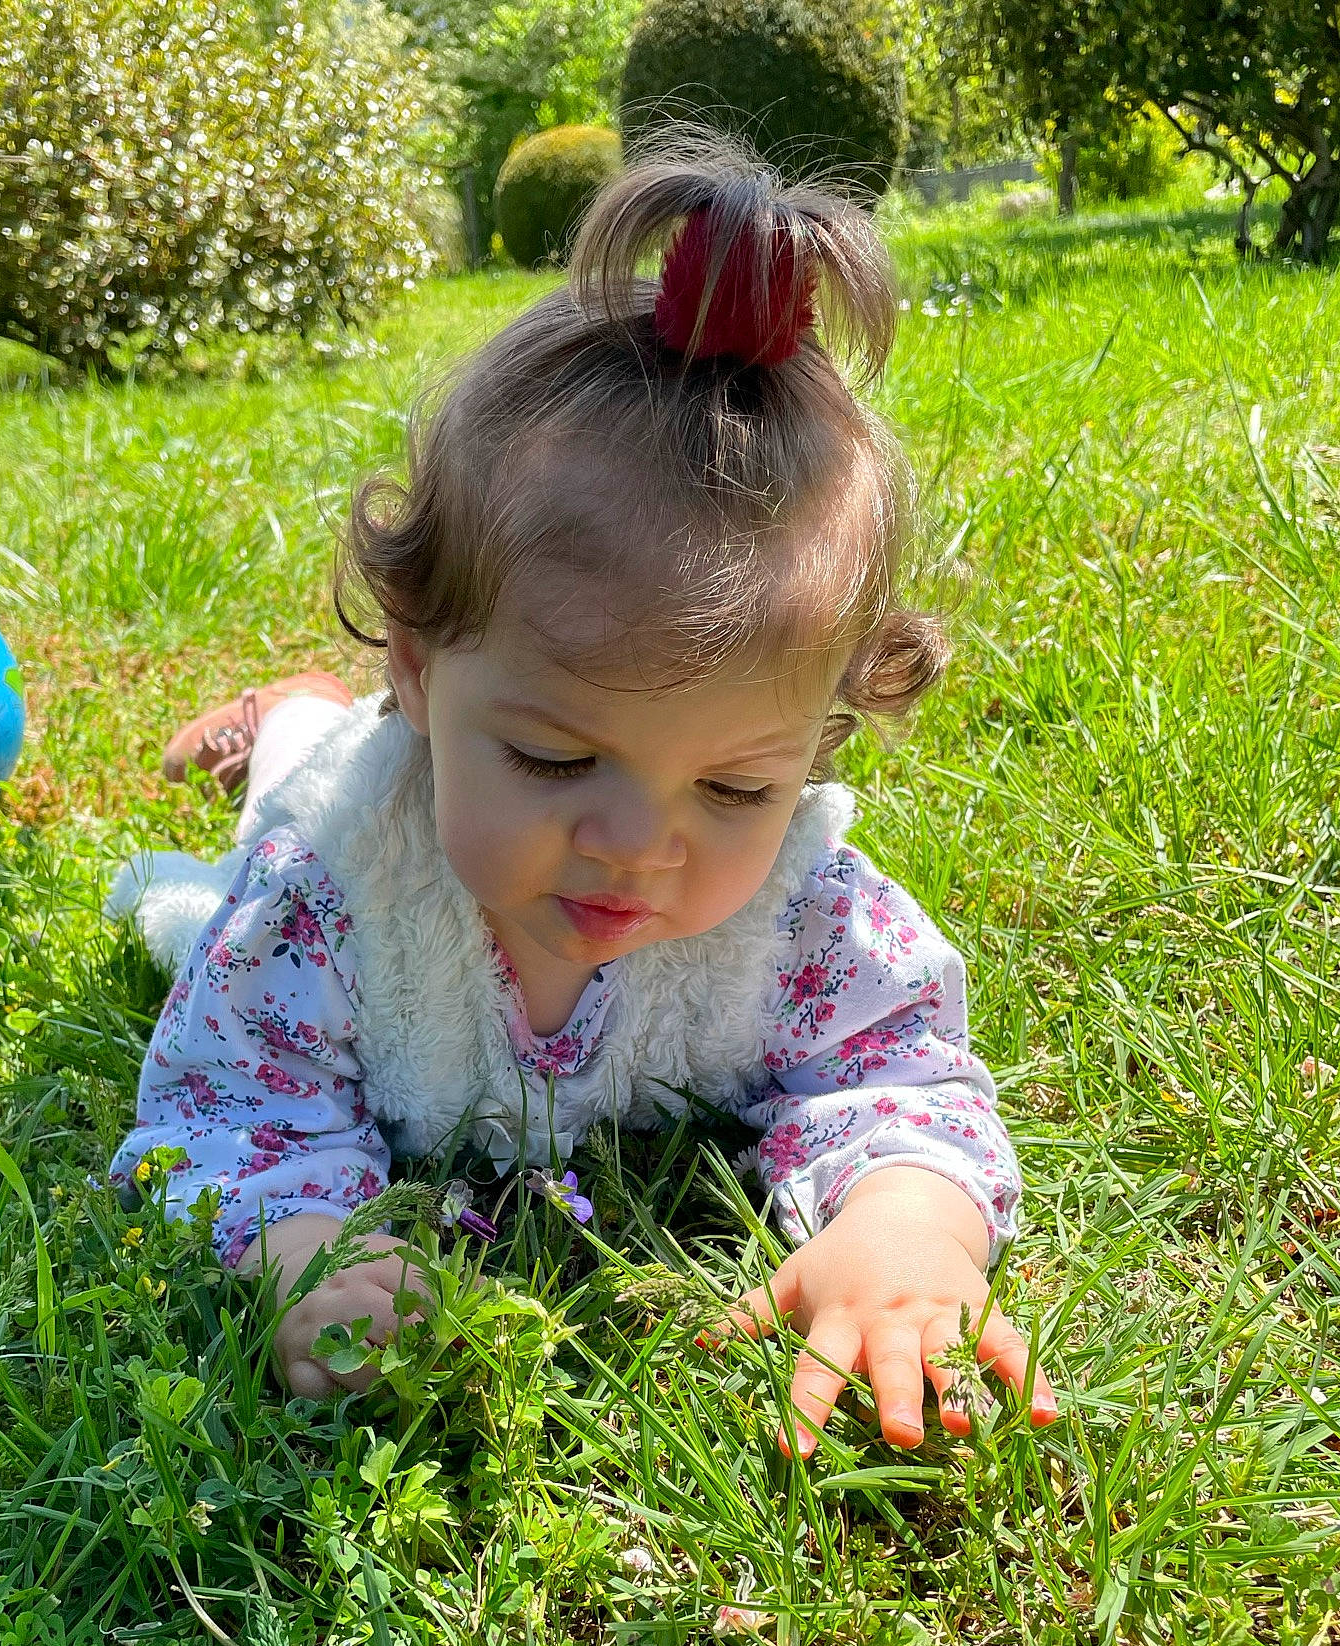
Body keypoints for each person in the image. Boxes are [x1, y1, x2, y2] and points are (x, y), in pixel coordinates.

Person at [108, 127, 1057, 1459]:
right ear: (422, 671)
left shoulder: (802, 912)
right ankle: (292, 710)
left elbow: (901, 1078)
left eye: (736, 783)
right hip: (337, 788)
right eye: (556, 760)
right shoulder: (330, 894)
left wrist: (905, 1229)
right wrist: (303, 1245)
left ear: (818, 742)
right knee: (293, 773)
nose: (635, 845)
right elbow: (227, 1114)